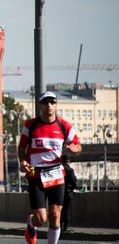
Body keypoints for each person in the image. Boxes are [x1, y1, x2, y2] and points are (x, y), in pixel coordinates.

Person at [18, 92, 82, 244]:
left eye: (52, 103)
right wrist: (23, 161)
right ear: (40, 105)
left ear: (56, 105)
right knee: (41, 218)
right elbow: (21, 148)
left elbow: (79, 146)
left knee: (55, 215)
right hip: (36, 174)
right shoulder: (31, 125)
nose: (49, 106)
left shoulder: (64, 126)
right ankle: (31, 224)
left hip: (56, 173)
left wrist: (75, 149)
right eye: (45, 103)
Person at [61, 155, 78, 233]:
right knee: (67, 210)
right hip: (68, 193)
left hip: (59, 193)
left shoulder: (58, 169)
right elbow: (74, 182)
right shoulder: (70, 170)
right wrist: (72, 188)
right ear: (68, 161)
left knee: (60, 210)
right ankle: (65, 227)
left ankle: (59, 226)